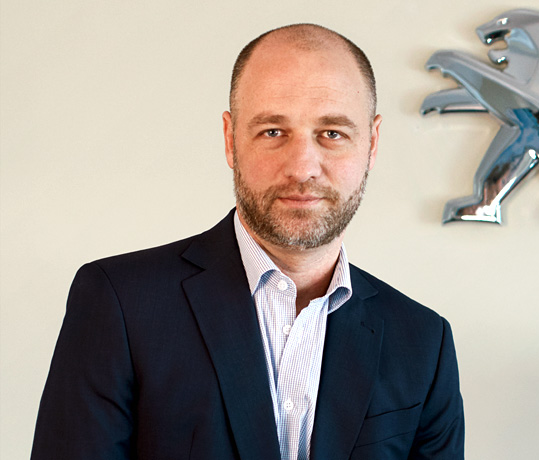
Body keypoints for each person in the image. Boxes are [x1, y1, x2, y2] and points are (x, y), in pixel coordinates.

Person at [31, 24, 464, 460]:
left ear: (371, 143)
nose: (302, 168)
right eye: (273, 131)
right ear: (230, 139)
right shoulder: (120, 304)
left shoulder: (424, 344)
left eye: (332, 133)